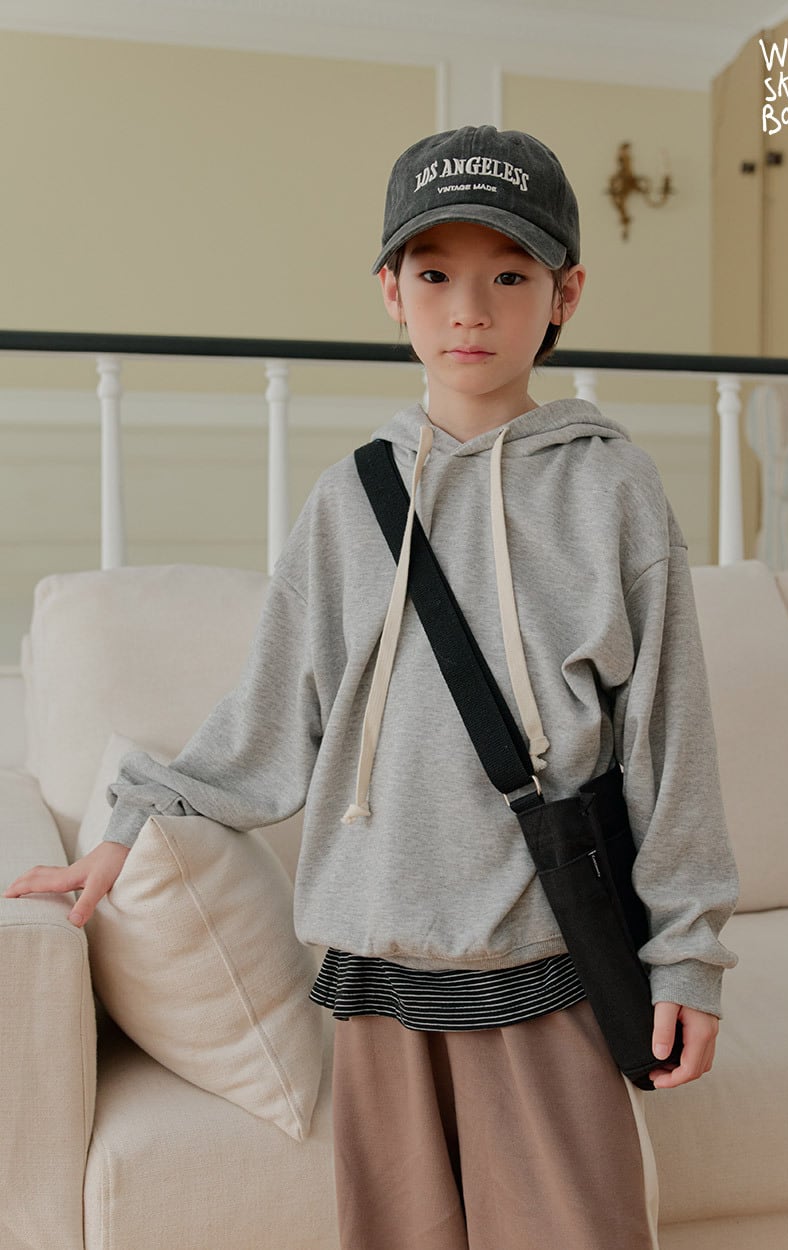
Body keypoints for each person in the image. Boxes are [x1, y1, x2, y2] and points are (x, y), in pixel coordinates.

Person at [5, 125, 739, 1249]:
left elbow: (669, 740)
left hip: (547, 952)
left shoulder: (613, 492)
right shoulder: (349, 501)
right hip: (377, 966)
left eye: (510, 275)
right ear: (391, 292)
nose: (470, 310)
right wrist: (132, 823)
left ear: (567, 293)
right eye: (435, 274)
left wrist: (688, 951)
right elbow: (271, 719)